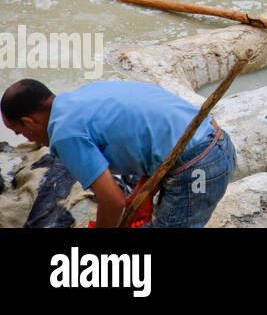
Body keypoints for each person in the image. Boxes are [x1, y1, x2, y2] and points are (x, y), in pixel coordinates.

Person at [1, 78, 236, 228]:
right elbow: (149, 136)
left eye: (19, 132)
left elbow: (112, 200)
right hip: (218, 143)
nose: (27, 139)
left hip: (198, 168)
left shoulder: (64, 134)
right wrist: (141, 191)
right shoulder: (82, 96)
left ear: (29, 122)